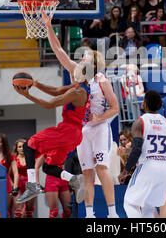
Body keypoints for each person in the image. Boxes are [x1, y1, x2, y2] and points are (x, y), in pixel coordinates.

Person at [42, 12, 120, 219]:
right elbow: (58, 49)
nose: (81, 56)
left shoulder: (102, 79)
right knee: (87, 173)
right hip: (82, 130)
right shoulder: (75, 72)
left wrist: (99, 118)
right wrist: (48, 26)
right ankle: (89, 214)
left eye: (85, 55)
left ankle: (113, 213)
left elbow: (115, 108)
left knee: (102, 169)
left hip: (99, 128)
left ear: (93, 61)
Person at [14, 80, 90, 206]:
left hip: (67, 130)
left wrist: (27, 95)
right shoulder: (79, 87)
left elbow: (49, 104)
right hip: (75, 135)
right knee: (48, 167)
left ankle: (32, 185)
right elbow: (56, 91)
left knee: (28, 145)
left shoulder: (78, 91)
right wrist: (36, 84)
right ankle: (74, 179)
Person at [119, 90, 166, 218]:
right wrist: (162, 161)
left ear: (145, 103)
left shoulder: (140, 122)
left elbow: (136, 149)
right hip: (165, 167)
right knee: (148, 206)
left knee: (130, 203)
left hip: (148, 165)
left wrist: (126, 171)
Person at [0, 133, 19, 218]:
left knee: (5, 210)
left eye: (0, 142)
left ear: (4, 143)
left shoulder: (10, 155)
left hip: (6, 183)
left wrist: (15, 187)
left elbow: (16, 173)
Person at [12, 139, 35, 218]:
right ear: (16, 148)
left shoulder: (31, 158)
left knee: (29, 212)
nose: (22, 148)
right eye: (19, 147)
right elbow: (9, 174)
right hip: (18, 184)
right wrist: (13, 185)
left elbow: (35, 171)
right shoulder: (13, 159)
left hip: (29, 184)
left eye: (23, 146)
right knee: (18, 212)